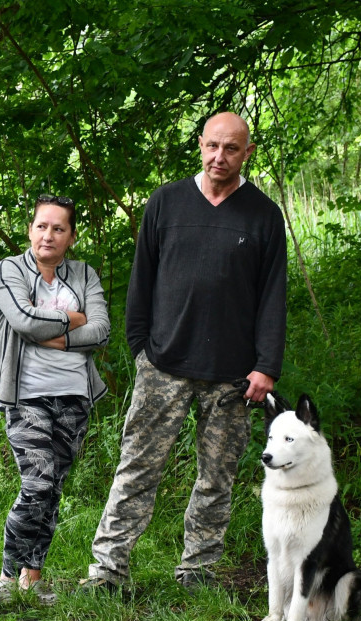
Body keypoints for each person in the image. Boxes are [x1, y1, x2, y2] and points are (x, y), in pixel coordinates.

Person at [82, 112, 287, 592]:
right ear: (200, 145)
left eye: (231, 148)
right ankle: (108, 571)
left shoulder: (262, 215)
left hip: (234, 376)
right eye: (213, 146)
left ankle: (198, 570)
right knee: (137, 469)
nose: (220, 157)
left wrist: (266, 366)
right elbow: (142, 283)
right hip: (164, 366)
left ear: (247, 152)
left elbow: (273, 296)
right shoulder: (167, 202)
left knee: (218, 478)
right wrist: (141, 351)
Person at [0, 194, 110, 604]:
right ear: (30, 230)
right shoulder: (9, 269)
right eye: (42, 226)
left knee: (53, 488)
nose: (49, 235)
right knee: (37, 482)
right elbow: (22, 321)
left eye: (59, 228)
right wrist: (73, 320)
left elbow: (102, 330)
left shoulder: (83, 275)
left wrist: (58, 337)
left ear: (71, 236)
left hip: (75, 396)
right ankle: (7, 578)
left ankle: (32, 578)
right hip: (27, 396)